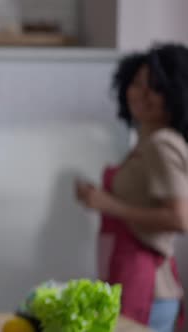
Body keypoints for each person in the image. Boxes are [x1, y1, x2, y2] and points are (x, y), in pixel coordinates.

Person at [76, 43, 188, 332]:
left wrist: (109, 205)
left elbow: (180, 218)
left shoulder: (162, 146)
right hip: (128, 277)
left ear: (175, 94)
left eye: (155, 86)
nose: (142, 93)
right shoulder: (147, 142)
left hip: (147, 287)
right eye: (137, 83)